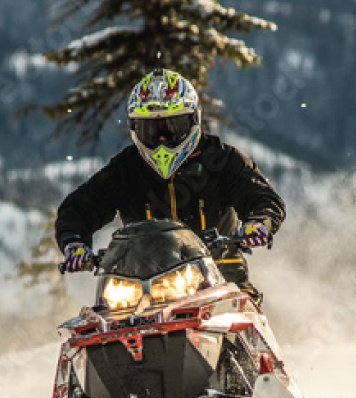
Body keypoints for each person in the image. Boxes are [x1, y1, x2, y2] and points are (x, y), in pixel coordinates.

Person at [55, 69, 286, 301]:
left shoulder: (221, 159)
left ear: (194, 120)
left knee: (243, 315)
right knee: (100, 323)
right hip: (142, 287)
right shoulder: (126, 169)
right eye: (152, 130)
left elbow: (263, 197)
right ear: (134, 129)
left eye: (172, 127)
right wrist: (74, 242)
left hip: (222, 278)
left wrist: (259, 223)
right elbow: (78, 208)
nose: (162, 140)